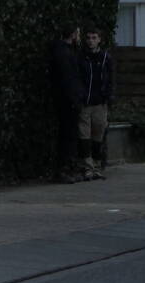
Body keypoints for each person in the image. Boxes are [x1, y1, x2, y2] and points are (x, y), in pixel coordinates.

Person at [77, 28, 115, 180]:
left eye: (94, 38)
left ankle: (97, 166)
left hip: (100, 102)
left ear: (99, 39)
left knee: (98, 134)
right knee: (84, 135)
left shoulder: (105, 57)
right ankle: (87, 167)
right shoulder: (82, 57)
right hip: (86, 102)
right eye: (89, 38)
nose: (91, 41)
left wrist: (109, 95)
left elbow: (111, 78)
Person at [47, 25, 82, 184]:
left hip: (64, 99)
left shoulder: (60, 51)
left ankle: (66, 168)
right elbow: (69, 79)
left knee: (67, 135)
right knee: (68, 135)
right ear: (74, 34)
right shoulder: (65, 53)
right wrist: (74, 98)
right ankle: (64, 169)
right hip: (67, 101)